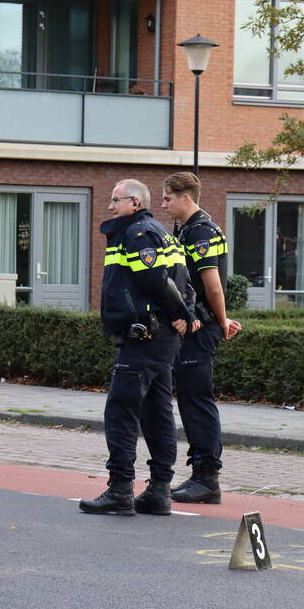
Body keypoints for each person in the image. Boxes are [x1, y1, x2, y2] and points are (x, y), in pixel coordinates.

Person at [79, 179, 196, 516]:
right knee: (157, 411)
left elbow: (154, 280)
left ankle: (120, 489)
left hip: (142, 336)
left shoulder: (139, 233)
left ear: (134, 202)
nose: (110, 207)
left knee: (121, 410)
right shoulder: (160, 232)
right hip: (160, 338)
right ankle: (159, 491)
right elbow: (184, 281)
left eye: (115, 201)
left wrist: (181, 315)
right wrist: (182, 315)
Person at [161, 172, 241, 504]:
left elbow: (212, 284)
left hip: (199, 328)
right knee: (192, 400)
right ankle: (199, 473)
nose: (164, 205)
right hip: (196, 324)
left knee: (197, 402)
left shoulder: (201, 232)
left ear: (186, 197)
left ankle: (207, 478)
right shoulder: (188, 229)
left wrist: (221, 322)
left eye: (167, 198)